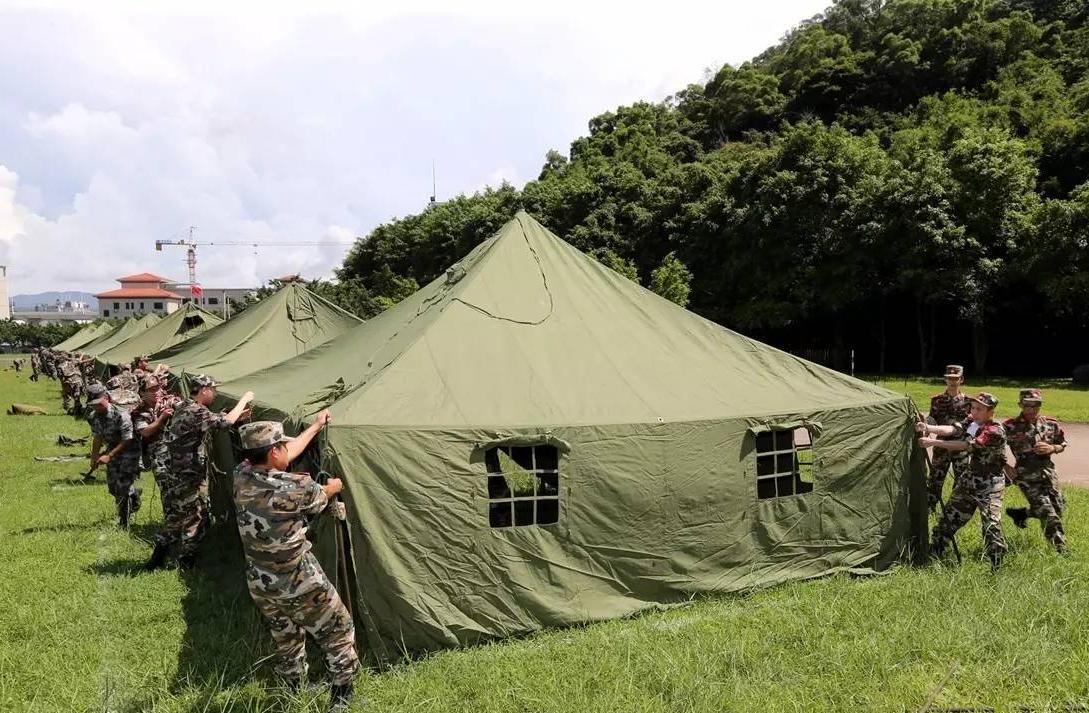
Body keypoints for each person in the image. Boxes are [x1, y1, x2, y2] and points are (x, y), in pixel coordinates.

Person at [234, 415, 359, 711]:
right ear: (273, 452)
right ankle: (342, 695)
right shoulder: (296, 487)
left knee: (286, 635)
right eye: (281, 446)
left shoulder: (241, 475)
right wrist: (335, 486)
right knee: (338, 629)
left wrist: (315, 426)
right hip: (298, 580)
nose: (285, 450)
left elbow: (286, 454)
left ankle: (293, 688)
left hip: (260, 580)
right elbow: (322, 494)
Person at [157, 375, 254, 568]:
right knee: (194, 516)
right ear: (204, 390)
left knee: (176, 515)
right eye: (213, 389)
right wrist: (244, 399)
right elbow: (225, 422)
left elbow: (215, 421)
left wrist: (235, 416)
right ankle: (187, 563)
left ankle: (158, 556)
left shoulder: (185, 405)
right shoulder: (196, 410)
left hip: (174, 470)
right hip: (187, 473)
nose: (215, 393)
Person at [917, 392, 1009, 570]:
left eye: (979, 409)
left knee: (991, 525)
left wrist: (934, 443)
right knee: (948, 519)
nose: (974, 412)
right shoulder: (973, 421)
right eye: (973, 408)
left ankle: (996, 565)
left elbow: (966, 446)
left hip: (989, 485)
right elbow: (953, 430)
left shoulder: (994, 431)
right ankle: (934, 553)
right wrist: (928, 427)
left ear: (991, 412)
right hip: (969, 480)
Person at [1004, 389, 1069, 553]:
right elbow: (993, 448)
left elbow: (1062, 443)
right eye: (1027, 406)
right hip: (1026, 477)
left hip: (1048, 474)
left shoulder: (1051, 424)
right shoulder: (1010, 427)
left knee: (1059, 508)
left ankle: (1022, 514)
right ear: (1020, 405)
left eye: (1036, 406)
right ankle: (1061, 551)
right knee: (1048, 513)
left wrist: (1052, 448)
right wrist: (1006, 467)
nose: (1032, 410)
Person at [135, 377, 181, 570]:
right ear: (143, 393)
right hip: (160, 460)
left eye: (158, 388)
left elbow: (186, 406)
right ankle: (167, 544)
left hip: (179, 458)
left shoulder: (168, 401)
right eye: (152, 389)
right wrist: (162, 418)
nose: (157, 392)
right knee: (170, 499)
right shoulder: (140, 412)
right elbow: (145, 432)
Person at [86, 383, 143, 527]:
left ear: (106, 398)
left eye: (99, 403)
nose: (96, 407)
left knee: (123, 486)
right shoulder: (93, 417)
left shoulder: (121, 415)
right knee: (113, 487)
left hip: (130, 450)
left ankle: (124, 522)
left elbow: (127, 439)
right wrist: (94, 456)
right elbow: (97, 437)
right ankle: (134, 494)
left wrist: (109, 456)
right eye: (93, 404)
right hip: (112, 449)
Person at [925, 364, 972, 509]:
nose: (952, 381)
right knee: (935, 479)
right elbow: (932, 420)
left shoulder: (969, 401)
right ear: (945, 379)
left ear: (961, 380)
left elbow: (973, 424)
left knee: (961, 481)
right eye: (949, 378)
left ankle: (953, 510)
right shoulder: (937, 400)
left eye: (955, 378)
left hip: (960, 447)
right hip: (941, 446)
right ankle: (930, 508)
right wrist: (925, 430)